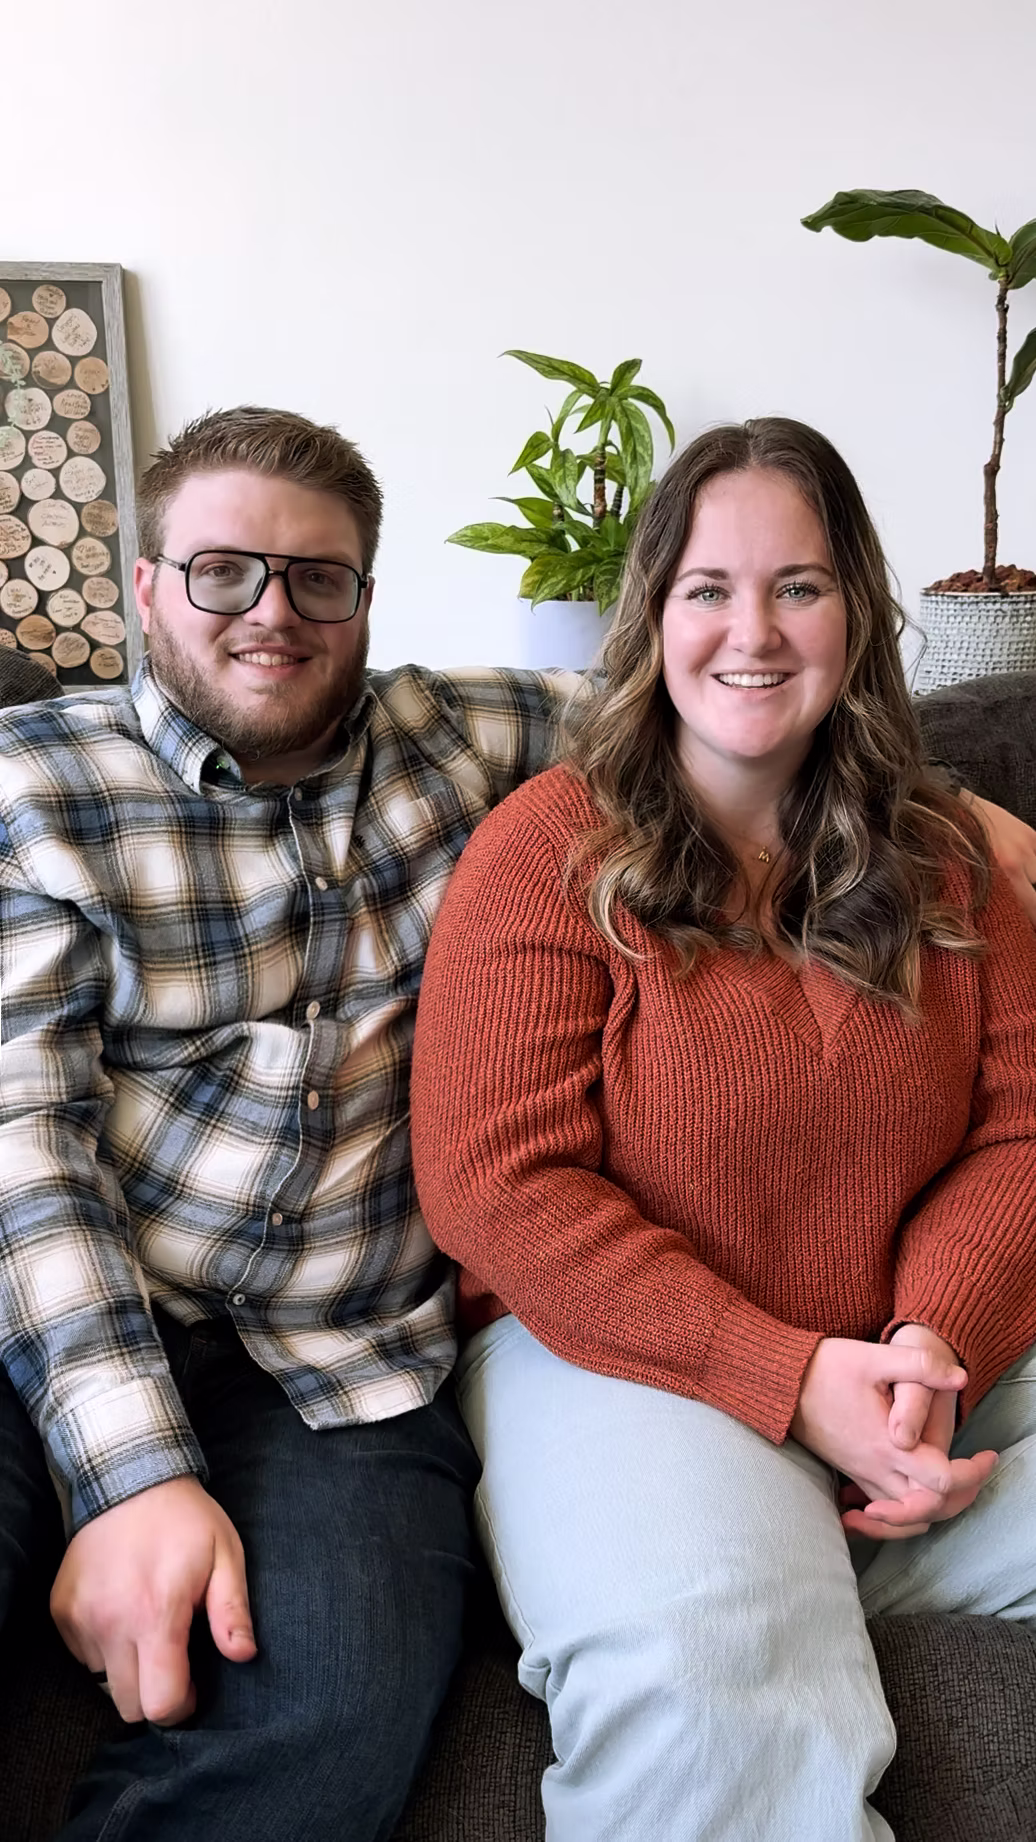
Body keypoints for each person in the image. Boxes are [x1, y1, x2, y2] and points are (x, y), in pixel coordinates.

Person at [0, 409, 1031, 1839]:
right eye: (222, 571)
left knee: (334, 1715)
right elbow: (30, 1155)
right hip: (100, 1318)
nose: (272, 614)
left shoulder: (454, 739)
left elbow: (731, 703)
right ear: (145, 581)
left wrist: (952, 801)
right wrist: (132, 1477)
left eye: (318, 579)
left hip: (342, 1357)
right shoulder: (42, 782)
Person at [410, 418, 1036, 1842]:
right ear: (653, 613)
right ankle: (744, 1559)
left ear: (857, 611)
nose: (752, 632)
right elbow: (497, 1183)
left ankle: (806, 1538)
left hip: (922, 1360)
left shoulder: (947, 856)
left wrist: (934, 1346)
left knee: (759, 1580)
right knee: (709, 1671)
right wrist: (788, 1378)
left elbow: (1022, 1132)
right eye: (709, 589)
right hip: (616, 1354)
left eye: (798, 587)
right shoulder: (546, 850)